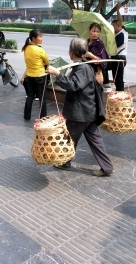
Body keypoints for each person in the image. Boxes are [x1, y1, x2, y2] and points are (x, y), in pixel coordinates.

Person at [46, 38, 114, 177]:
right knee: (96, 141)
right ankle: (107, 167)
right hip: (89, 111)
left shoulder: (83, 67)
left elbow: (73, 85)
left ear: (72, 52)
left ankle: (64, 163)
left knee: (69, 139)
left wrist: (57, 73)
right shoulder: (84, 65)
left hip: (80, 113)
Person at [20, 29, 49, 122]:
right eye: (40, 37)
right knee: (42, 98)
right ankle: (43, 118)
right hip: (40, 76)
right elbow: (47, 62)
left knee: (30, 96)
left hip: (29, 77)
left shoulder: (26, 48)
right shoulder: (40, 50)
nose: (42, 39)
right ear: (33, 38)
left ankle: (26, 117)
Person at [104, 3, 128, 91]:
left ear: (118, 26)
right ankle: (106, 82)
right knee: (103, 65)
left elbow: (113, 47)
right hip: (114, 58)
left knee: (118, 79)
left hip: (119, 59)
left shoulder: (122, 34)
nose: (112, 29)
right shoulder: (117, 33)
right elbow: (120, 21)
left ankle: (120, 94)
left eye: (113, 27)